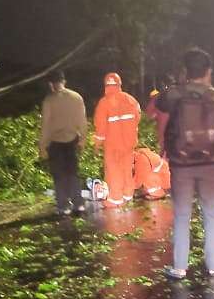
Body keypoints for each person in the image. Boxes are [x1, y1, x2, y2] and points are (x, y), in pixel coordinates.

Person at [157, 47, 214, 280]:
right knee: (211, 214)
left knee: (181, 215)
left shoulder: (174, 94)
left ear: (185, 71)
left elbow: (157, 105)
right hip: (209, 163)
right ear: (208, 71)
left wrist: (179, 84)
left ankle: (180, 267)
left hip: (181, 163)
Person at [38, 69, 87, 215]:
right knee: (72, 172)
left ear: (51, 84)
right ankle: (78, 204)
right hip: (72, 140)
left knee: (59, 174)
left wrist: (42, 146)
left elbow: (46, 125)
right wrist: (83, 139)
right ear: (64, 82)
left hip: (56, 142)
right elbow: (82, 121)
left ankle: (63, 206)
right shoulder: (76, 97)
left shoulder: (49, 100)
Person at [92, 72, 141, 209]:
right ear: (119, 84)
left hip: (112, 145)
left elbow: (100, 128)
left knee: (113, 171)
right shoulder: (131, 100)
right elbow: (137, 118)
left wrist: (97, 145)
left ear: (106, 85)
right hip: (129, 144)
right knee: (126, 169)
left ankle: (115, 199)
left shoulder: (104, 103)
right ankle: (127, 196)